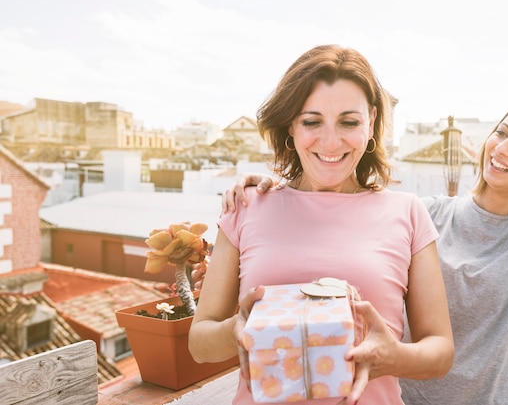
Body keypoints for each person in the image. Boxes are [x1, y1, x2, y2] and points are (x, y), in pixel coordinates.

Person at [221, 96, 508, 404]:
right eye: (501, 133)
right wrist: (280, 189)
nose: (502, 148)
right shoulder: (425, 213)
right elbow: (345, 202)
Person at [188, 44, 455, 405]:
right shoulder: (245, 207)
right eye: (312, 122)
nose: (331, 141)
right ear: (291, 127)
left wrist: (393, 356)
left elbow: (440, 351)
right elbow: (199, 344)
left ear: (371, 121)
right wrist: (237, 330)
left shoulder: (408, 212)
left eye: (349, 122)